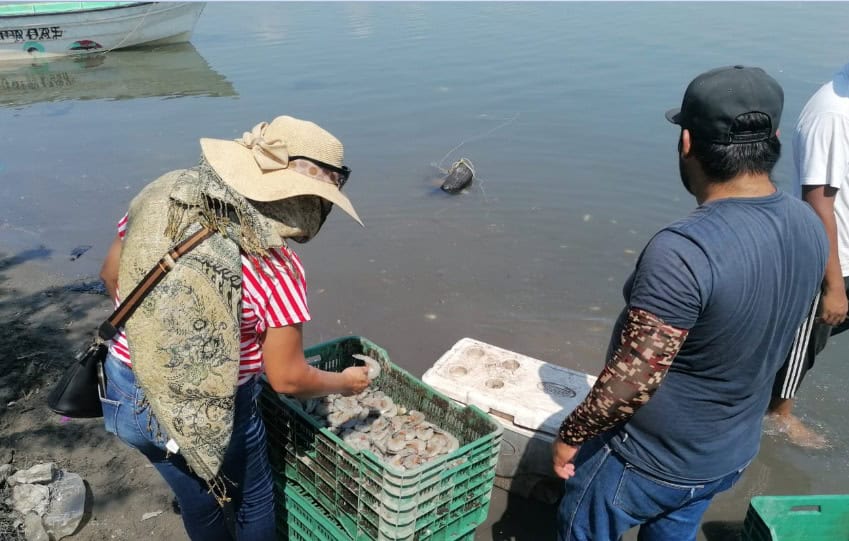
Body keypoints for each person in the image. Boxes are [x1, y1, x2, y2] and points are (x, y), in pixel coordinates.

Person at [551, 66, 828, 541]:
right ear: (775, 139)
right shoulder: (809, 225)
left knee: (580, 529)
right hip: (728, 457)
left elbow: (634, 378)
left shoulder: (684, 250)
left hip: (646, 460)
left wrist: (569, 437)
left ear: (686, 143)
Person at [98, 116, 371, 540]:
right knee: (254, 496)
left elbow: (111, 275)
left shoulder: (166, 194)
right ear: (304, 200)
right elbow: (287, 378)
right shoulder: (274, 264)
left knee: (196, 495)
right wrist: (345, 383)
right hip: (218, 411)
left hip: (125, 391)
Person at [767, 64, 849, 448]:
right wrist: (833, 285)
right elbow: (818, 203)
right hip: (831, 260)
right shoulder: (832, 111)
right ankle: (777, 415)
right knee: (802, 346)